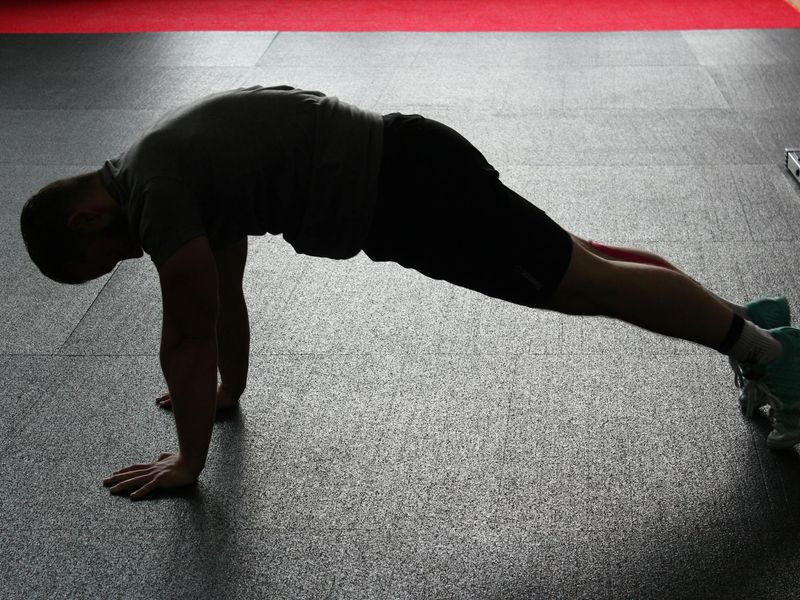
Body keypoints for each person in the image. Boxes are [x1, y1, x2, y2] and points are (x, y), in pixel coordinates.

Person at [18, 85, 800, 501]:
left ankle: (776, 360)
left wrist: (188, 461)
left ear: (90, 217)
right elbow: (219, 291)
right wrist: (229, 390)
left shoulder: (158, 192)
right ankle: (750, 326)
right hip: (415, 164)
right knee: (585, 261)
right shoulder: (163, 166)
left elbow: (185, 327)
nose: (132, 257)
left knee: (585, 283)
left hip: (417, 199)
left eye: (110, 257)